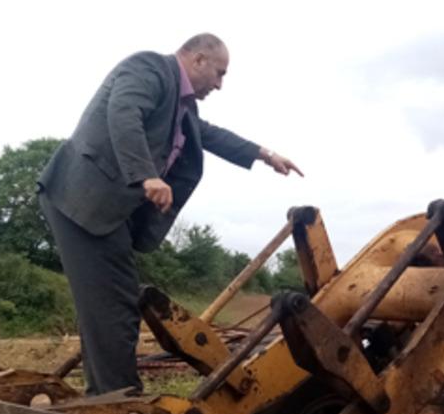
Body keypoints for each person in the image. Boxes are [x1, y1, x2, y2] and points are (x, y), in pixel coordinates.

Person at [38, 33, 301, 395]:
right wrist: (145, 174)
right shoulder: (148, 68)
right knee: (115, 306)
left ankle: (106, 395)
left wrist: (262, 154)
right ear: (197, 60)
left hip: (100, 212)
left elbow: (207, 134)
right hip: (82, 202)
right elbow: (124, 112)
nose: (220, 85)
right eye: (219, 73)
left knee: (109, 304)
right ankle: (116, 399)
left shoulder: (184, 108)